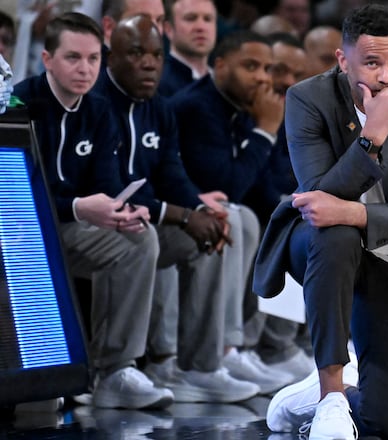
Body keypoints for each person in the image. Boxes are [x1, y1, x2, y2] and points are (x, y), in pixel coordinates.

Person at [255, 4, 388, 439]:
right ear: (342, 60)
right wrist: (372, 137)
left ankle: (321, 397)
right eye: (372, 62)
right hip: (313, 241)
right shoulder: (307, 98)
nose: (387, 75)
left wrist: (356, 213)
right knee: (337, 233)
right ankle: (330, 393)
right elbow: (321, 196)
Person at [99, 14, 265, 402]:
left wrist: (195, 210)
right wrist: (181, 214)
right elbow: (110, 188)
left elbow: (172, 174)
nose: (149, 63)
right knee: (146, 238)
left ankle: (201, 366)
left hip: (144, 214)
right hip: (104, 219)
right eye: (137, 53)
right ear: (111, 56)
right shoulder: (97, 105)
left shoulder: (159, 108)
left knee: (214, 229)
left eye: (157, 55)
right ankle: (132, 365)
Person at [13, 12, 172, 409]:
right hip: (21, 235)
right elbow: (19, 200)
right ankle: (42, 376)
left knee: (139, 237)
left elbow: (106, 183)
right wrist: (82, 208)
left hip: (72, 226)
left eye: (93, 59)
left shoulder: (99, 111)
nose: (85, 69)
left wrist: (119, 211)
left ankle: (115, 370)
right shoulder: (18, 104)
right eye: (72, 58)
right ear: (47, 59)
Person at [170, 30, 294, 391]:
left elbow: (268, 183)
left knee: (292, 213)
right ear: (219, 65)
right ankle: (225, 349)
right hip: (187, 213)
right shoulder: (197, 107)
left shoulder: (243, 107)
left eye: (267, 68)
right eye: (250, 66)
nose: (262, 77)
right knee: (238, 217)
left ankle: (257, 346)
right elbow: (230, 185)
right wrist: (267, 130)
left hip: (221, 211)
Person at [240, 31, 314, 382]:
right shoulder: (254, 109)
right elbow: (254, 183)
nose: (287, 81)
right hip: (247, 208)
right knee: (292, 215)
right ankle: (271, 346)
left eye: (297, 75)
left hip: (270, 207)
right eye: (279, 70)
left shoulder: (296, 113)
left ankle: (304, 341)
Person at [158, 0, 216, 97]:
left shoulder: (225, 82)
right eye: (190, 19)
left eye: (207, 19)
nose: (201, 27)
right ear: (169, 29)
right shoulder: (158, 82)